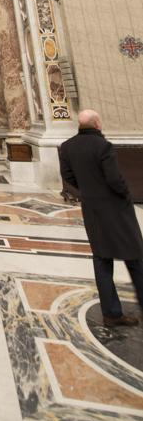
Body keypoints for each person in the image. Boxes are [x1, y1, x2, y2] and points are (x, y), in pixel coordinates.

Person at [60, 109, 143, 327]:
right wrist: (125, 194)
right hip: (116, 209)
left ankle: (111, 313)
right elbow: (115, 179)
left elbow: (68, 177)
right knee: (135, 257)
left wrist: (87, 192)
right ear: (97, 124)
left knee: (101, 259)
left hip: (92, 209)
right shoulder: (103, 146)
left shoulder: (67, 147)